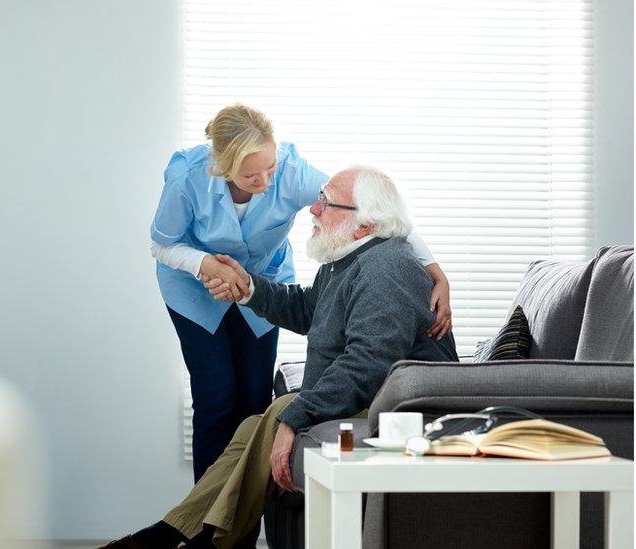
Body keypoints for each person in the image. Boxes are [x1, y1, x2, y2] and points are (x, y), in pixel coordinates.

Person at [107, 166, 459, 549]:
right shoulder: (351, 259)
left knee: (281, 411)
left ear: (364, 224)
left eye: (325, 202)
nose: (313, 209)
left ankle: (184, 540)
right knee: (251, 428)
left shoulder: (386, 269)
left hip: (399, 411)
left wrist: (295, 418)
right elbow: (308, 310)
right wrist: (247, 288)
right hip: (374, 399)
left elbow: (366, 366)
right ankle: (177, 535)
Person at [150, 104, 453, 486]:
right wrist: (203, 264)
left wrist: (435, 270)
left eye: (270, 169)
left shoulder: (294, 176)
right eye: (250, 175)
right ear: (223, 168)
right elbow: (162, 244)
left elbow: (374, 211)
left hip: (259, 282)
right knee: (216, 397)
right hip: (194, 288)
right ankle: (200, 534)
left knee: (253, 403)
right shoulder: (187, 179)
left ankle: (222, 532)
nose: (264, 181)